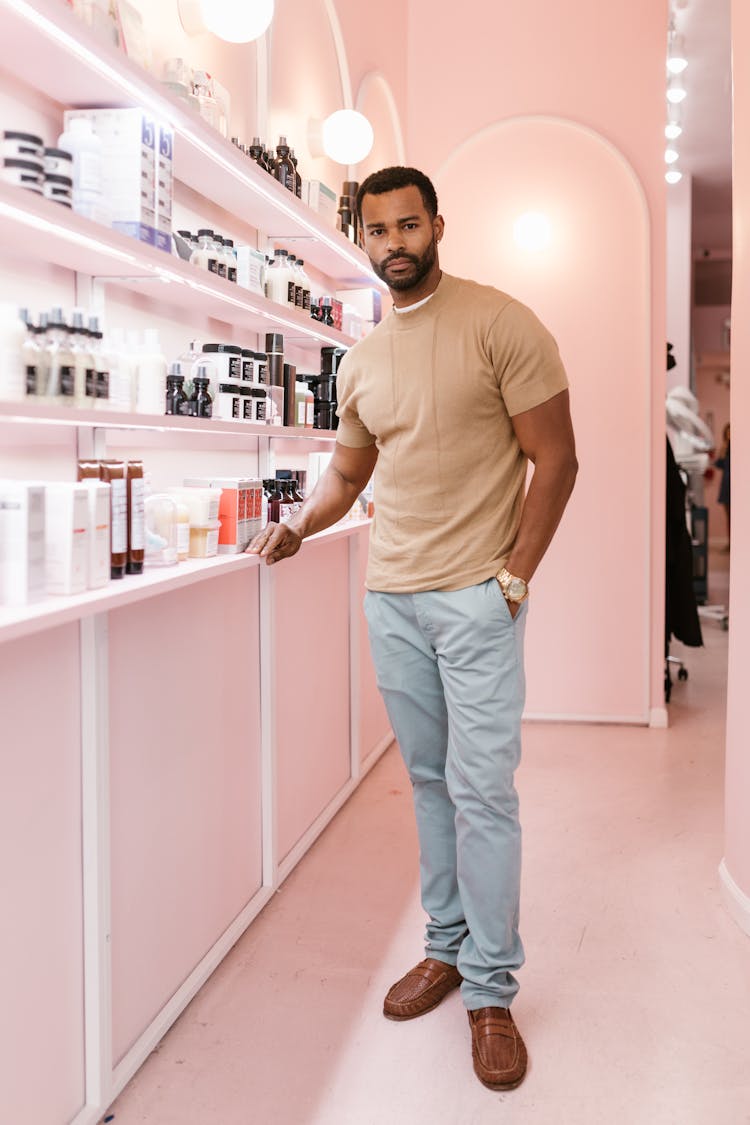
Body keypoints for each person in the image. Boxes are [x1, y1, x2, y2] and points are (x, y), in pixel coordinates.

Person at [248, 166, 577, 1091]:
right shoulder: (362, 360)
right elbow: (350, 476)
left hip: (476, 597)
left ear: (438, 224)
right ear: (362, 237)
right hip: (390, 598)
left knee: (485, 793)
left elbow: (557, 459)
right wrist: (301, 525)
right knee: (429, 784)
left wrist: (513, 578)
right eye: (378, 229)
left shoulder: (501, 324)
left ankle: (491, 990)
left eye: (408, 224)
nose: (394, 241)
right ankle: (444, 945)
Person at [715, 422, 731, 547]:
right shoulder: (725, 448)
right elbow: (718, 464)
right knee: (728, 517)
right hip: (726, 485)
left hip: (734, 485)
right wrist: (723, 449)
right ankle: (729, 542)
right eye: (728, 432)